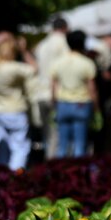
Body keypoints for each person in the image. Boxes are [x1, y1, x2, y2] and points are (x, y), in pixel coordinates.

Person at [0, 37, 38, 169]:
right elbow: (35, 68)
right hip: (15, 111)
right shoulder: (15, 68)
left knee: (2, 147)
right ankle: (15, 176)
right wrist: (24, 51)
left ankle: (2, 175)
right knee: (20, 147)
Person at [50, 29, 97, 158]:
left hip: (63, 103)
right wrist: (96, 108)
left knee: (62, 144)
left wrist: (54, 104)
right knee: (80, 144)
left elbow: (53, 87)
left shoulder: (58, 62)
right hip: (81, 104)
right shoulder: (87, 63)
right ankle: (78, 173)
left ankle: (61, 173)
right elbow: (92, 89)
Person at [33, 17, 70, 158]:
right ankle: (53, 168)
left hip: (40, 94)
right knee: (57, 136)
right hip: (56, 94)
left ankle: (49, 163)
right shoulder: (63, 43)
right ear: (65, 28)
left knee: (47, 135)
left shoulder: (42, 45)